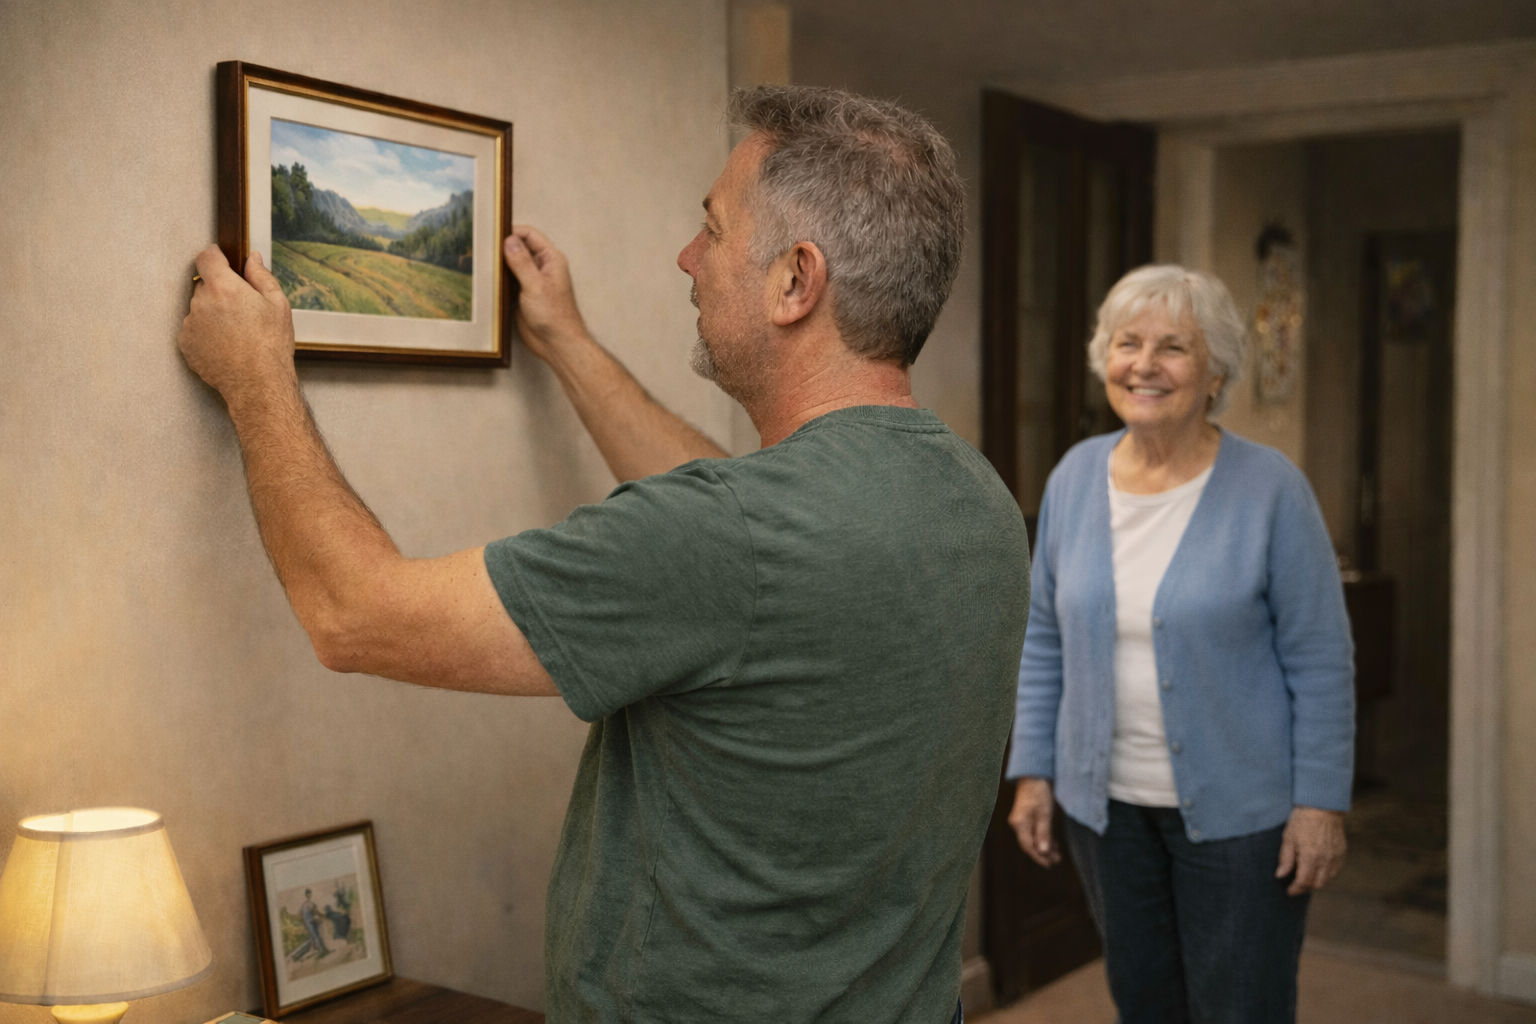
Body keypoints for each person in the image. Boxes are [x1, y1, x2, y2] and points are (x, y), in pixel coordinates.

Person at [178, 85, 1030, 1023]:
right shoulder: (974, 501)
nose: (687, 257)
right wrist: (569, 344)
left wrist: (257, 376)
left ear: (795, 281)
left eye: (711, 228)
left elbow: (355, 614)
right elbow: (752, 550)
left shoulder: (728, 538)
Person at [1005, 265, 1354, 1024]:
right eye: (1128, 344)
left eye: (1173, 347)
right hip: (1108, 812)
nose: (1145, 365)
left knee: (1240, 1006)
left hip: (1243, 820)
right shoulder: (1073, 478)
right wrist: (1033, 769)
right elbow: (1043, 638)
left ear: (1216, 370)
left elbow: (1321, 660)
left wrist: (1320, 801)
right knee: (1145, 1001)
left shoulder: (1272, 489)